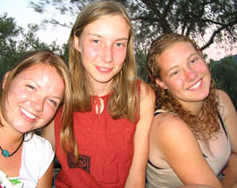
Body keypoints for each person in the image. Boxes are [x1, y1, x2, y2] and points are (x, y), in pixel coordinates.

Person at [42, 1, 156, 188]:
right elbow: (41, 163)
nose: (108, 56)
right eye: (96, 41)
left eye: (119, 44)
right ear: (77, 42)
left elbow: (136, 178)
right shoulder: (59, 92)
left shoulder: (141, 96)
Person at [146, 33, 237, 188]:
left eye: (193, 60)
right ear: (162, 83)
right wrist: (234, 175)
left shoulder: (220, 100)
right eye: (175, 72)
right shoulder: (168, 126)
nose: (191, 75)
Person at [0, 50, 73, 188]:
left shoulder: (42, 154)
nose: (38, 105)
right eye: (31, 87)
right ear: (7, 81)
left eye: (52, 101)